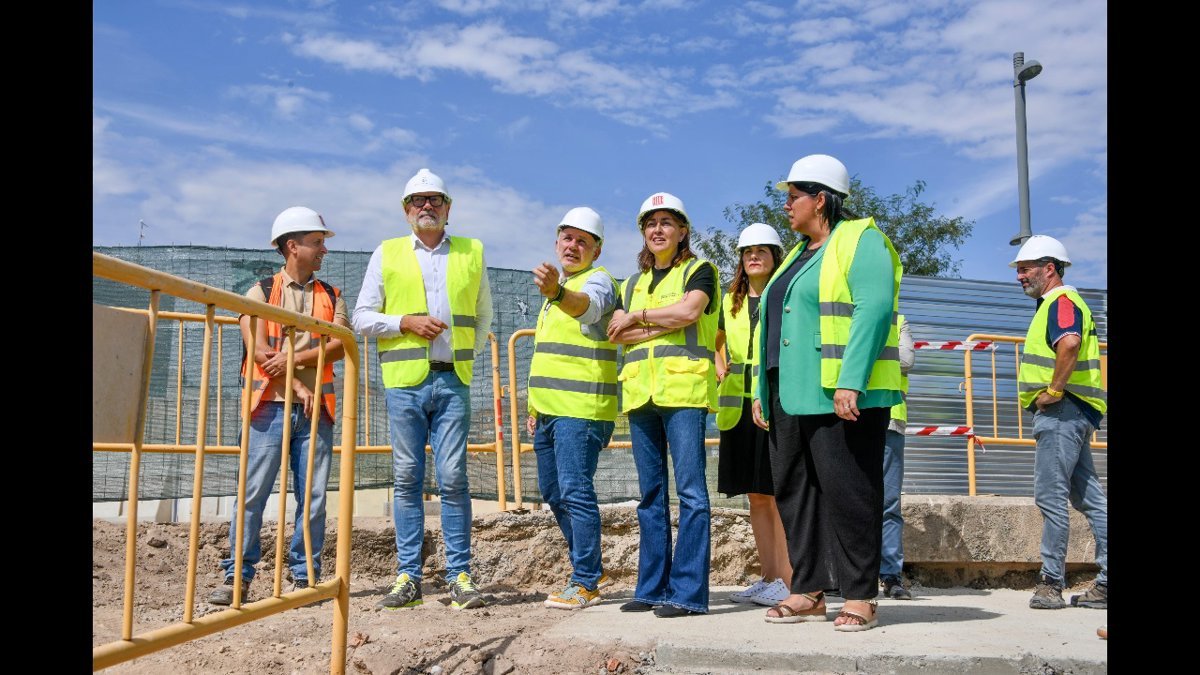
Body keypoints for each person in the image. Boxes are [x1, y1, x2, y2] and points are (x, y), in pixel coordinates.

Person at [751, 154, 903, 631]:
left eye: (793, 197)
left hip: (838, 391)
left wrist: (850, 379)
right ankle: (808, 590)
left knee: (850, 491)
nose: (786, 206)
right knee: (795, 492)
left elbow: (874, 308)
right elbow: (771, 326)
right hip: (787, 391)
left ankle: (860, 594)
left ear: (820, 200)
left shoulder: (862, 240)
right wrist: (759, 389)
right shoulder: (796, 254)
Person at [352, 168, 494, 611]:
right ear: (406, 210)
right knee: (407, 478)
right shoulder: (387, 252)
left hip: (453, 379)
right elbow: (361, 317)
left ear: (448, 207)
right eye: (418, 200)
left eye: (435, 199)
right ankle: (408, 576)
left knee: (453, 477)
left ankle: (460, 576)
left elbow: (484, 316)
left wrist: (466, 358)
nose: (426, 205)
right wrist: (405, 323)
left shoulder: (472, 251)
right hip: (404, 384)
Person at [210, 206, 348, 605]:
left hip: (316, 412)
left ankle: (305, 579)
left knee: (313, 499)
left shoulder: (332, 295)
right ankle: (237, 577)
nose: (324, 250)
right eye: (317, 242)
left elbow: (340, 344)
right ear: (292, 246)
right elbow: (258, 351)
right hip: (268, 407)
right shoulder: (260, 291)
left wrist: (294, 359)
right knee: (252, 494)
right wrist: (298, 385)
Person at [606, 192, 720, 619]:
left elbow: (690, 311)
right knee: (650, 495)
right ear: (643, 232)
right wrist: (660, 322)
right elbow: (617, 334)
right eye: (650, 223)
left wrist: (638, 318)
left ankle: (687, 594)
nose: (658, 230)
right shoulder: (630, 284)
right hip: (641, 395)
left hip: (684, 392)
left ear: (682, 230)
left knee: (691, 493)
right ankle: (652, 588)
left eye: (666, 222)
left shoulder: (700, 270)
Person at [526, 207, 620, 610]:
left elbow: (591, 308)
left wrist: (558, 293)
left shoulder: (598, 282)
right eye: (567, 238)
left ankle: (585, 581)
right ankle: (589, 568)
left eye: (583, 241)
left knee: (576, 491)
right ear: (557, 242)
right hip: (549, 412)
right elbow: (547, 355)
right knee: (553, 491)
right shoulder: (558, 293)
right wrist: (534, 408)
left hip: (581, 411)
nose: (573, 246)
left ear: (596, 250)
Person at [1010, 235, 1107, 611]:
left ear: (1049, 269)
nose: (1020, 276)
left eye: (1025, 269)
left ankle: (1051, 583)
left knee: (1051, 497)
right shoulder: (1058, 303)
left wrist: (1053, 390)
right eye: (1019, 270)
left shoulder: (1061, 302)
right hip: (1075, 412)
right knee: (1089, 499)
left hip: (1062, 413)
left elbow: (1068, 343)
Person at [714, 223, 792, 607]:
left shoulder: (785, 294)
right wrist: (718, 362)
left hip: (776, 405)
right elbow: (715, 340)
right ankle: (769, 576)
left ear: (775, 256)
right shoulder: (730, 300)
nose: (753, 257)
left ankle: (790, 581)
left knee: (778, 494)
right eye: (747, 252)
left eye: (761, 250)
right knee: (757, 496)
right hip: (739, 410)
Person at [880, 313, 915, 600]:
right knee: (851, 500)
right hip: (851, 417)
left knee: (889, 503)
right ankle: (852, 573)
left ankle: (891, 575)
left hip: (890, 420)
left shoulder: (899, 320)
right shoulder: (843, 314)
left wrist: (866, 349)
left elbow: (906, 360)